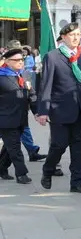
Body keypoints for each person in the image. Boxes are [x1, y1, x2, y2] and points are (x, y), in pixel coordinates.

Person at [37, 23, 81, 193]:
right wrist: (43, 110)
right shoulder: (52, 57)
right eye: (72, 35)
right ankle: (48, 170)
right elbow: (45, 85)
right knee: (58, 145)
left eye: (78, 34)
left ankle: (77, 182)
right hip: (59, 110)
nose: (76, 38)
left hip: (80, 110)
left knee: (78, 147)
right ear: (63, 37)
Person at [0, 48, 36, 184]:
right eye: (17, 60)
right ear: (7, 62)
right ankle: (21, 174)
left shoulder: (24, 75)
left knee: (9, 147)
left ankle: (1, 168)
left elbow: (32, 94)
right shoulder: (1, 76)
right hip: (5, 119)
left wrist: (37, 112)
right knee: (15, 147)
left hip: (21, 118)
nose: (21, 62)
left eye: (22, 59)